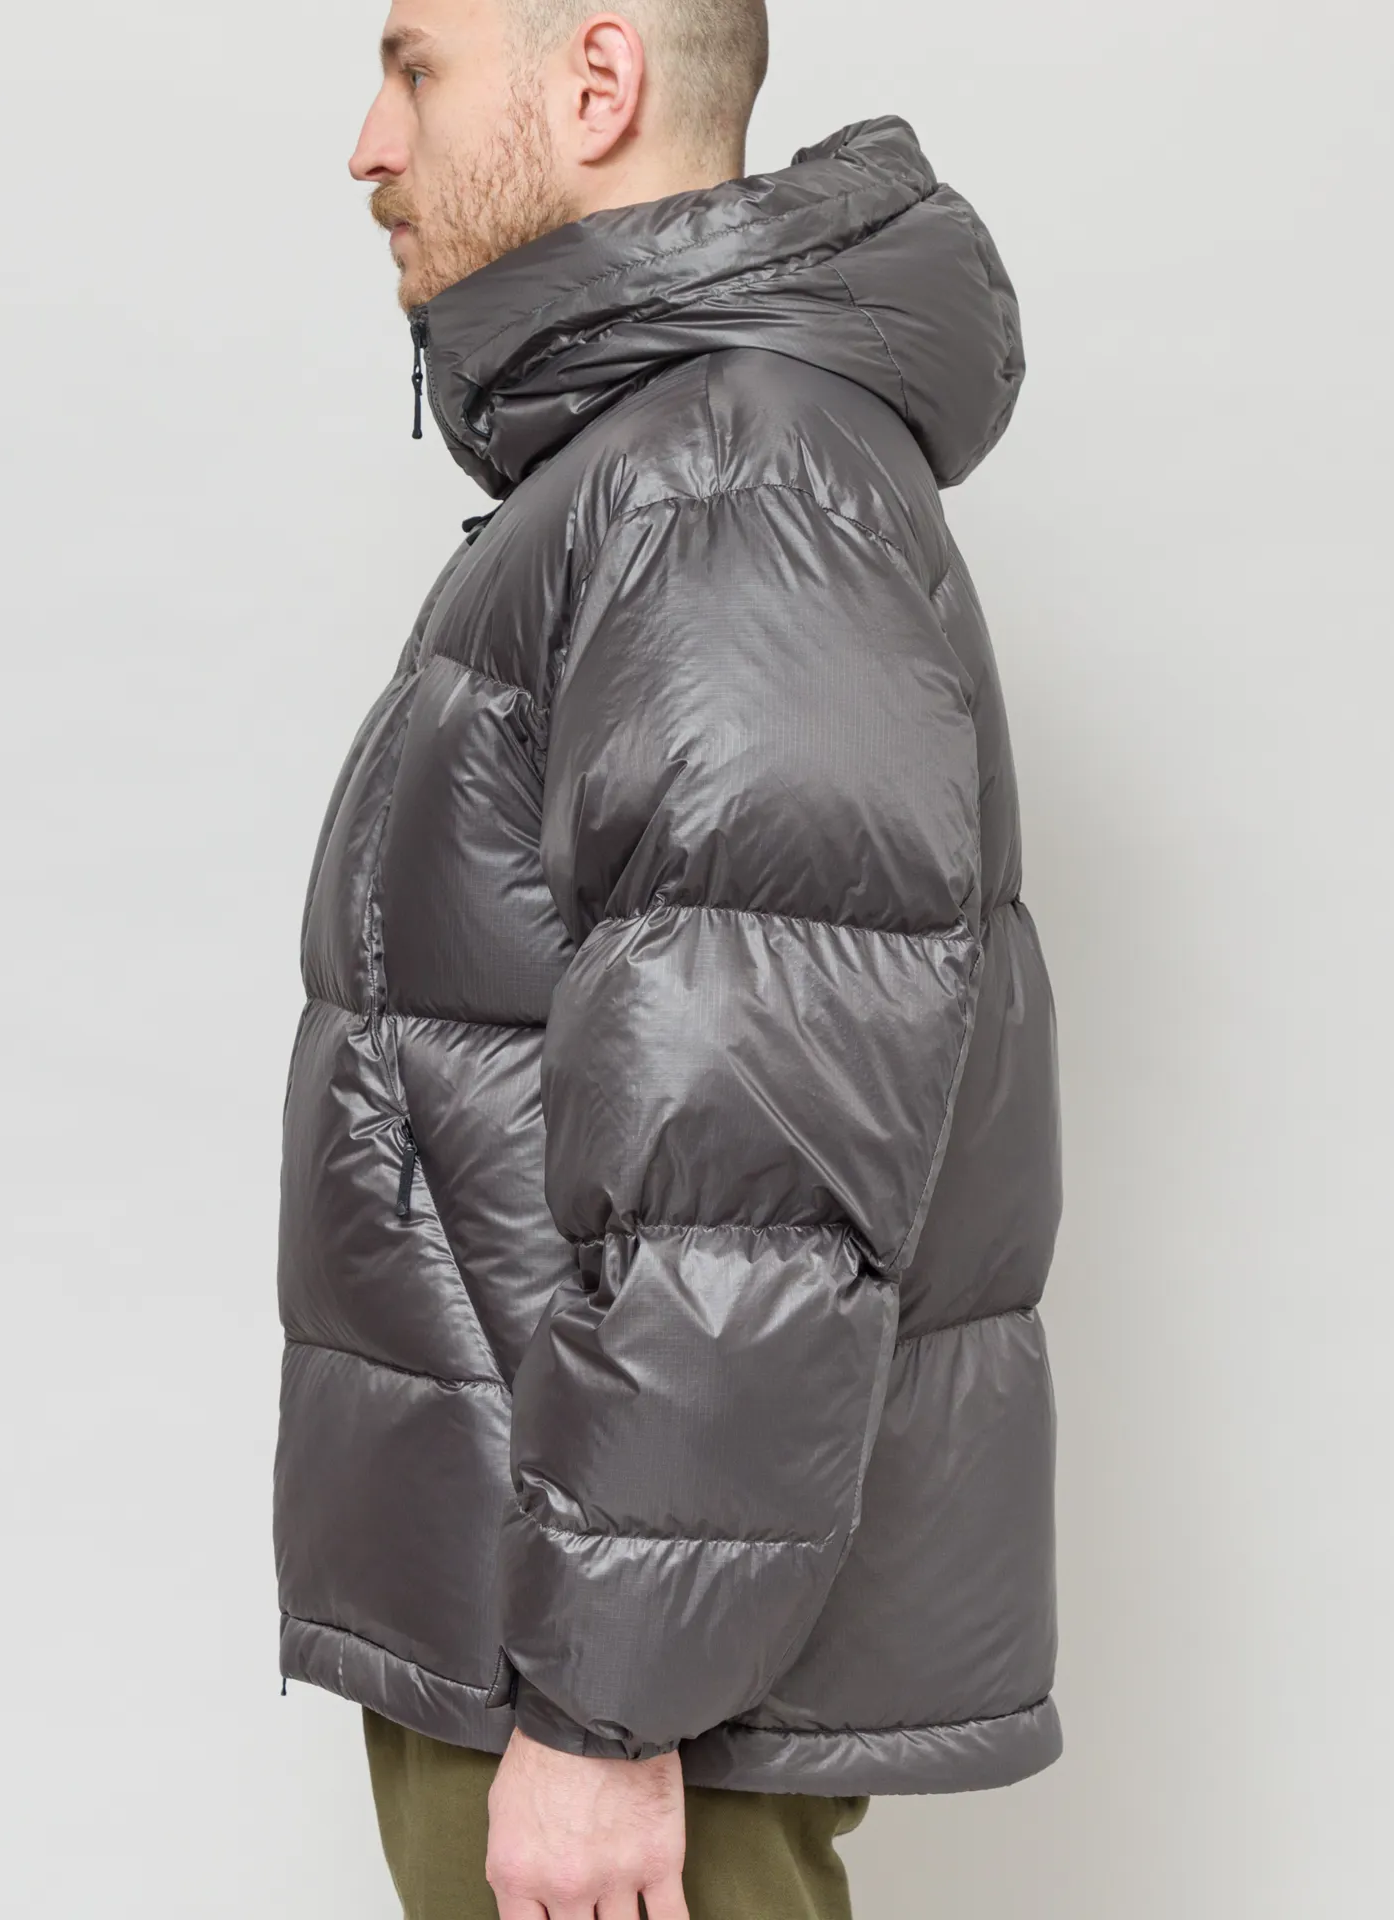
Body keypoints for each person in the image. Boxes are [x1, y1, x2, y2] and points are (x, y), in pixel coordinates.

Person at [272, 4, 1063, 1913]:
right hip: (559, 1607)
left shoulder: (731, 487)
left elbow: (748, 1187)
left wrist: (607, 1709)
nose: (367, 142)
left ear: (598, 82)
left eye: (416, 69)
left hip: (625, 1678)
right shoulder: (664, 469)